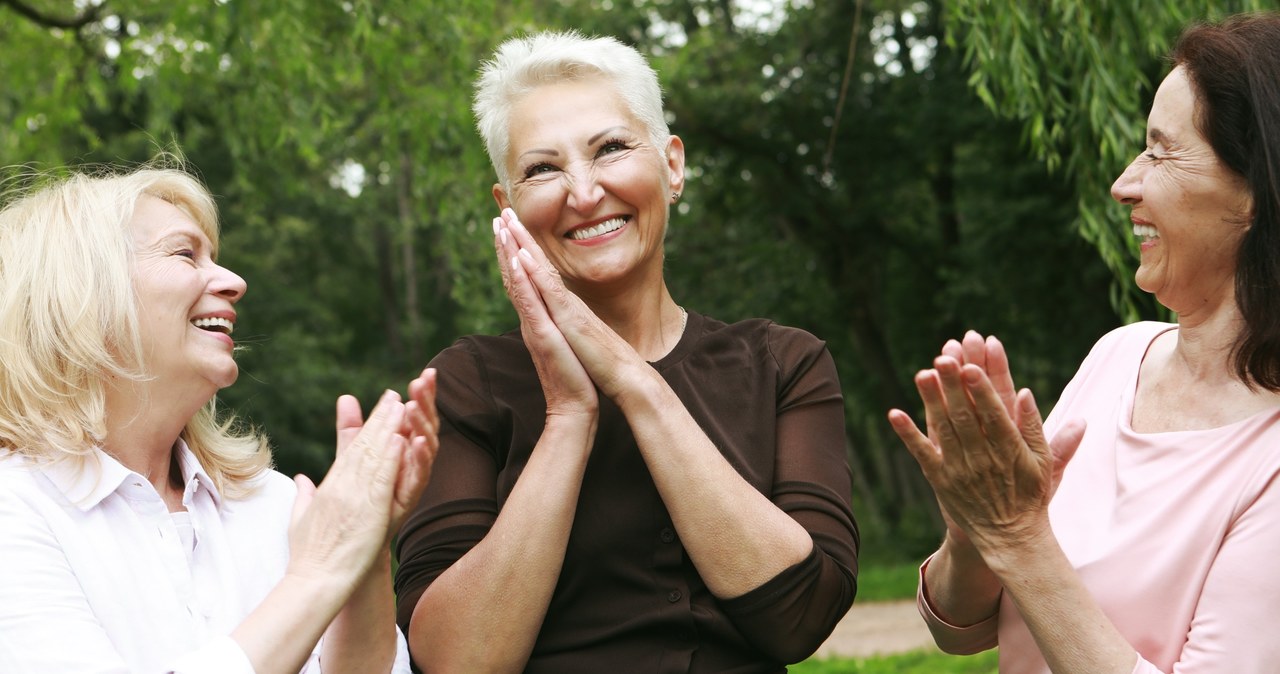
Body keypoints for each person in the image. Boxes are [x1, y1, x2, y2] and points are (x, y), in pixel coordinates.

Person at [393, 30, 858, 673]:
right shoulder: (467, 382)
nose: (583, 194)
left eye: (610, 149)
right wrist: (569, 417)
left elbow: (800, 618)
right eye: (542, 168)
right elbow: (453, 661)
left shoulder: (785, 364)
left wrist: (632, 382)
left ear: (672, 165)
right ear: (508, 209)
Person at [887, 13, 1280, 674]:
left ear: (1255, 196)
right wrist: (975, 525)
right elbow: (961, 629)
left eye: (1160, 151)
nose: (1124, 183)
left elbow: (1028, 554)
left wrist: (1018, 537)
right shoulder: (1119, 356)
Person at [0, 162, 441, 673]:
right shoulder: (16, 506)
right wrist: (319, 572)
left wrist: (363, 556)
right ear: (80, 291)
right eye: (185, 253)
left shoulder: (274, 503)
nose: (234, 281)